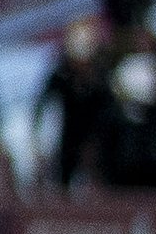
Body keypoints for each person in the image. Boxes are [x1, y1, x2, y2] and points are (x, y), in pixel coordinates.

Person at [37, 15, 118, 192]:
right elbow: (42, 103)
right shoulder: (62, 71)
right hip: (70, 136)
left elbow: (110, 104)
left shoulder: (100, 71)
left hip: (97, 136)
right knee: (64, 181)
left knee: (100, 180)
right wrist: (37, 140)